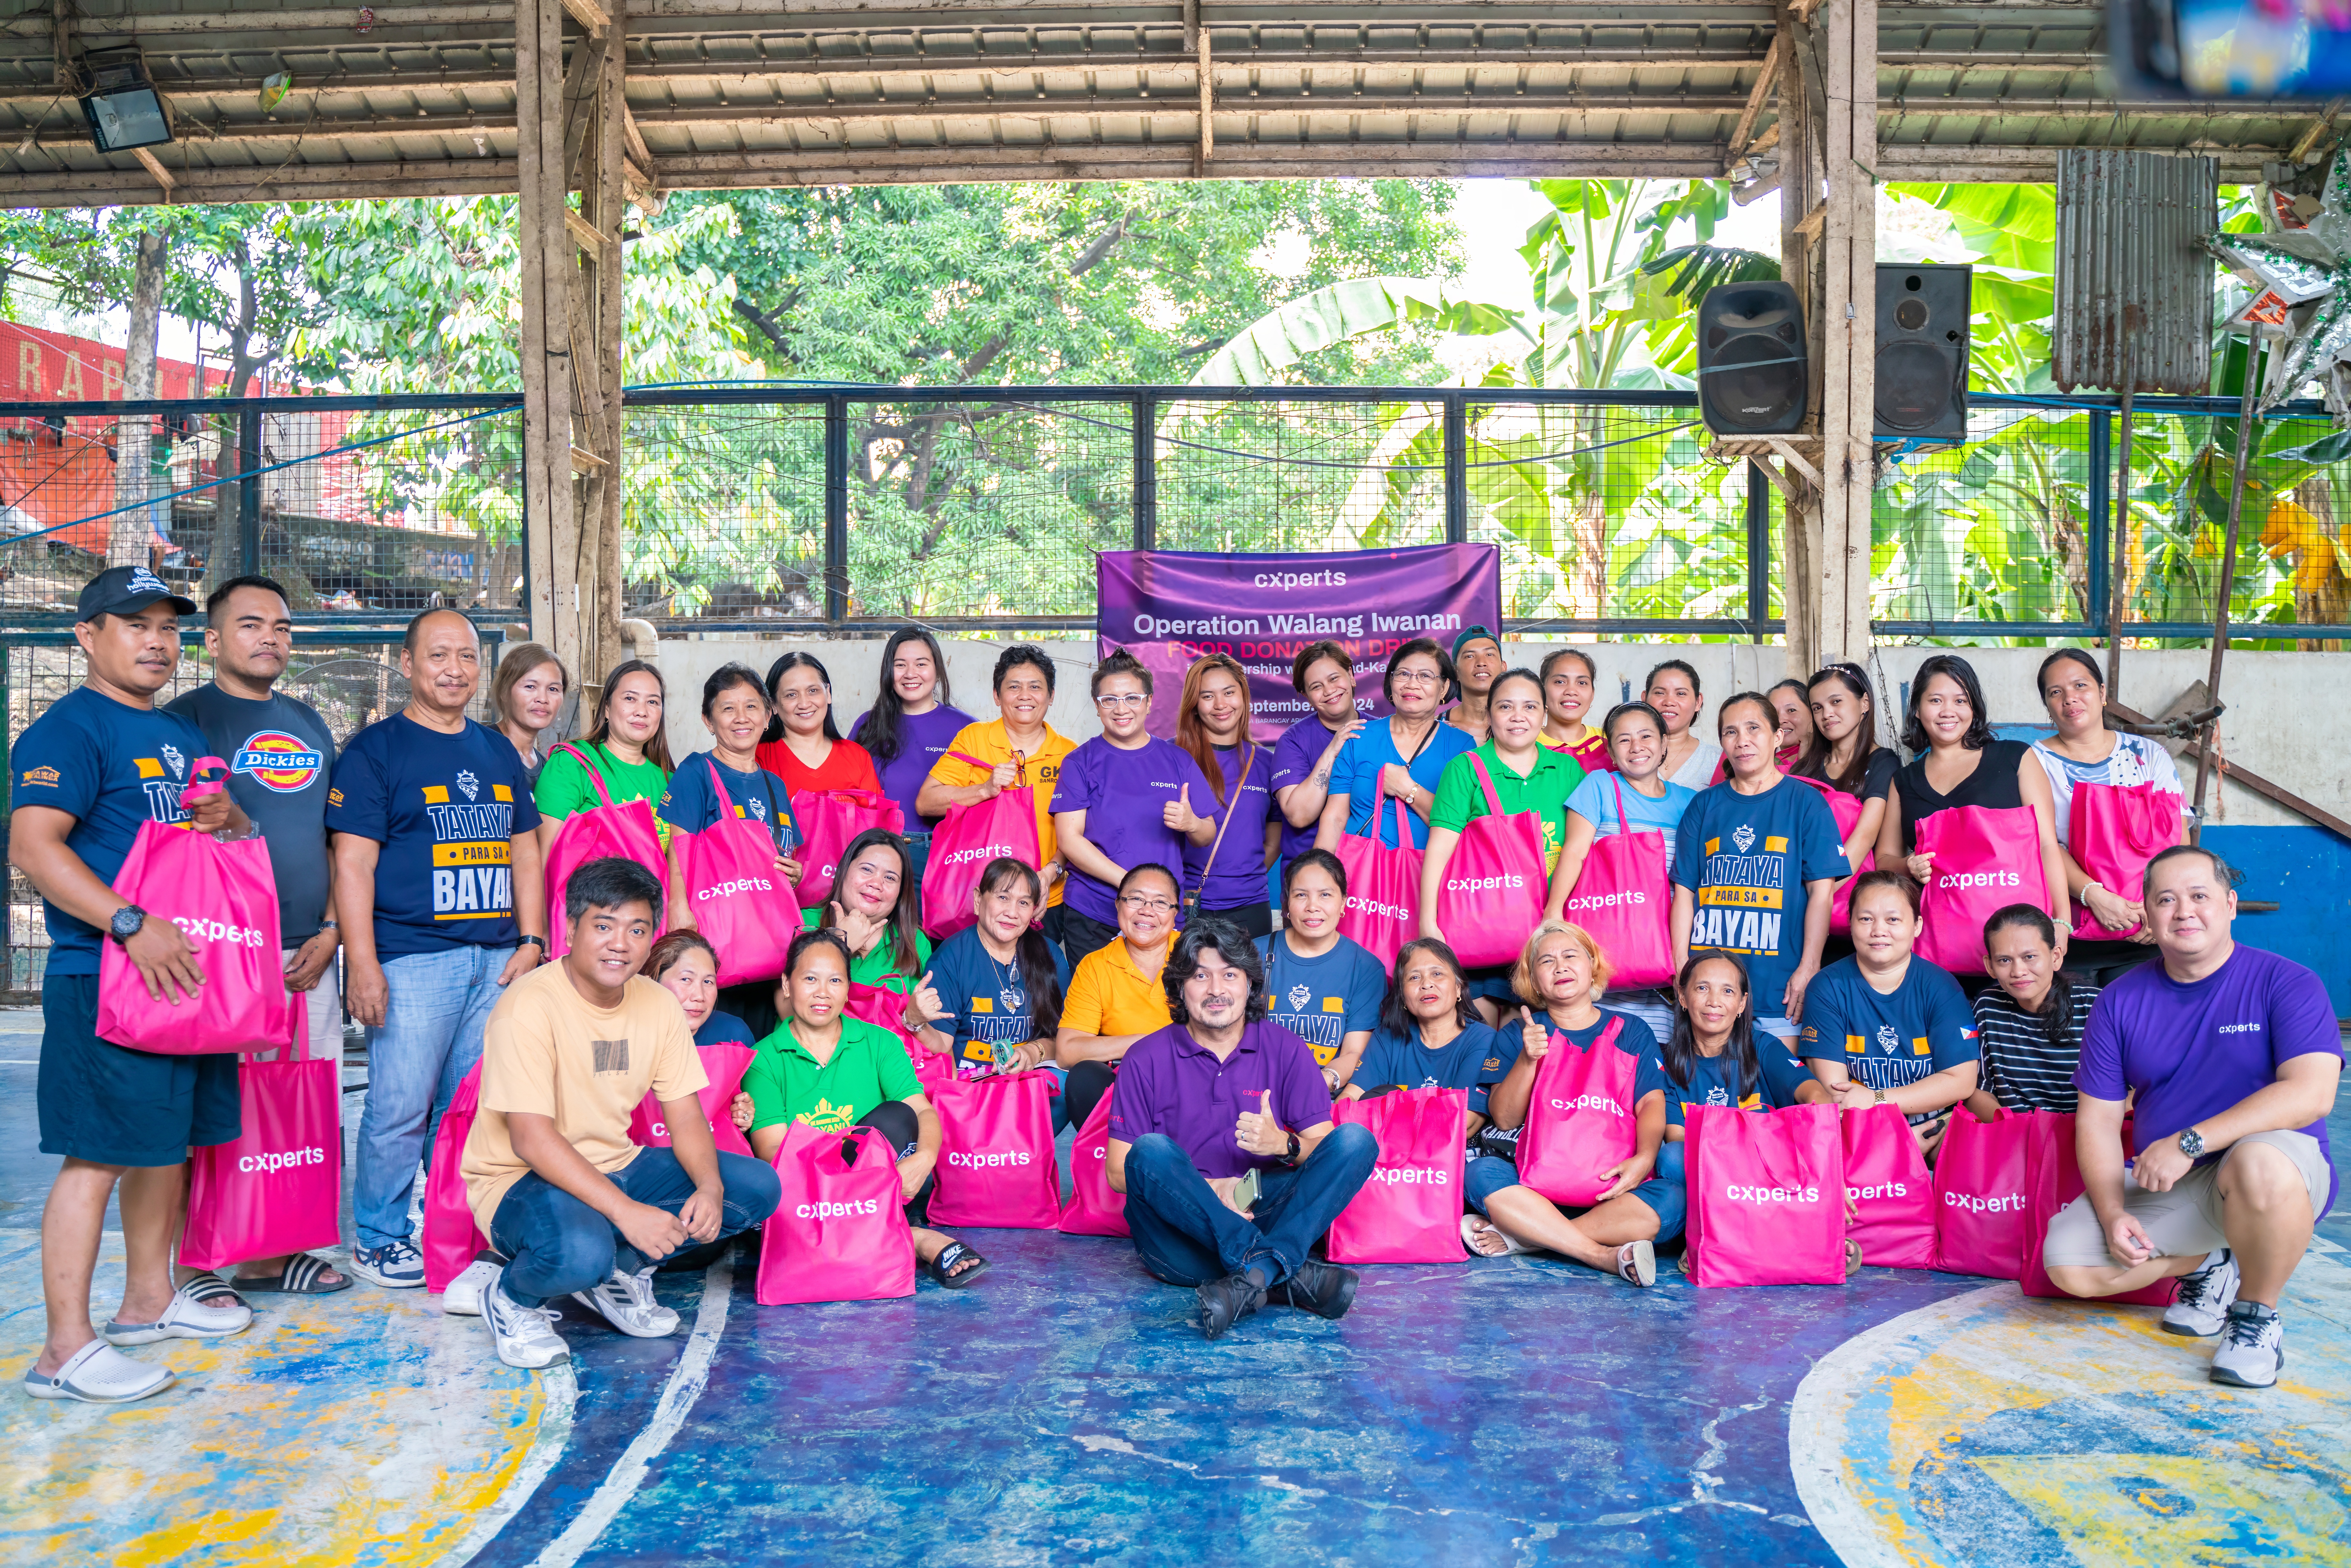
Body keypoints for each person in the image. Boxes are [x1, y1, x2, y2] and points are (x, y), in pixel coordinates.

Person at [15, 567, 258, 1404]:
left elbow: (222, 838)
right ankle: (63, 1350)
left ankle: (149, 1299)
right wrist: (127, 922)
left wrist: (235, 820)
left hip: (184, 980)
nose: (157, 641)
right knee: (98, 1156)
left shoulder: (181, 737)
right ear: (88, 637)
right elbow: (35, 848)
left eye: (168, 628)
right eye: (134, 625)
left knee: (169, 1143)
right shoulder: (68, 730)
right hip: (106, 974)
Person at [461, 858, 782, 1369]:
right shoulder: (529, 1006)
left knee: (757, 1188)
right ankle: (512, 1299)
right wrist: (627, 1213)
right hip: (518, 1180)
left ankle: (619, 1275)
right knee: (580, 1254)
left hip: (615, 1162)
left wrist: (710, 1187)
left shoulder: (656, 1005)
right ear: (570, 929)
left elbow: (686, 1116)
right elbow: (530, 1139)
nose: (620, 944)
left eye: (637, 930)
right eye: (604, 926)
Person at [2040, 845, 2341, 1389]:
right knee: (2069, 1263)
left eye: (2199, 896)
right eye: (2166, 900)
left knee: (2257, 1164)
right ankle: (2210, 1262)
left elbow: (2312, 1094)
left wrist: (2189, 1142)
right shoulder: (2118, 1001)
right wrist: (2112, 1215)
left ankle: (2255, 1317)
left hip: (2277, 1172)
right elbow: (2099, 1122)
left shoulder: (2287, 983)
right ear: (2147, 915)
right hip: (2180, 1183)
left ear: (2229, 905)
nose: (2184, 911)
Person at [330, 608, 548, 1290]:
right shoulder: (376, 751)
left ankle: (452, 1227)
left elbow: (525, 853)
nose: (453, 669)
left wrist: (533, 939)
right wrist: (362, 963)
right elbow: (352, 866)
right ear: (407, 665)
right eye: (438, 656)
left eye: (466, 657)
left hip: (494, 961)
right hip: (413, 959)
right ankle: (380, 1236)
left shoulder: (494, 751)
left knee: (470, 1110)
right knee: (398, 1106)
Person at [163, 574, 348, 1296]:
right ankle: (195, 1263)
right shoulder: (182, 721)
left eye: (280, 626)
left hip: (307, 953)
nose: (270, 635)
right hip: (217, 954)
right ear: (211, 640)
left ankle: (276, 1253)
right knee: (209, 1109)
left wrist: (332, 928)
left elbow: (335, 839)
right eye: (250, 624)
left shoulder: (308, 721)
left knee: (297, 1105)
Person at [1107, 918, 1378, 1340]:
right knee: (1150, 1150)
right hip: (1180, 1240)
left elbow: (1325, 1148)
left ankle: (1251, 1279)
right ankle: (1279, 1267)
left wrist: (1284, 1145)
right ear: (1179, 988)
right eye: (1200, 975)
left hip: (1260, 1207)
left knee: (1356, 1141)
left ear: (1251, 985)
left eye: (1229, 974)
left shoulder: (1286, 1048)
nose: (1216, 989)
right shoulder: (1145, 1057)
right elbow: (1119, 1172)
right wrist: (1204, 1189)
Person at [743, 930, 990, 1288]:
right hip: (807, 1196)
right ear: (786, 984)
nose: (822, 993)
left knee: (895, 1118)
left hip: (874, 1180)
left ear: (848, 987)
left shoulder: (880, 1042)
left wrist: (925, 1157)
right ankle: (914, 1237)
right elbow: (773, 1152)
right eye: (809, 979)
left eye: (835, 981)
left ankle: (839, 1242)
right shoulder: (764, 1058)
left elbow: (922, 1113)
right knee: (761, 1191)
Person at [1463, 922, 1670, 1286]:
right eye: (1546, 961)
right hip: (1535, 1189)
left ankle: (1526, 1240)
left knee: (1673, 1200)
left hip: (1613, 1190)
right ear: (1533, 980)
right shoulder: (1517, 1033)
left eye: (1570, 956)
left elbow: (1651, 1102)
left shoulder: (1633, 1030)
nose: (1559, 967)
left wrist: (1645, 1158)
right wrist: (1529, 1059)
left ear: (1592, 965)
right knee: (1479, 1173)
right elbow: (1505, 1118)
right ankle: (1598, 1254)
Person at [1634, 952, 1846, 1278]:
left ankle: (1740, 1242)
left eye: (1728, 991)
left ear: (1742, 1004)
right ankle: (1752, 1241)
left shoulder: (1761, 1046)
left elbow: (1815, 1096)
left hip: (1766, 1170)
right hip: (1714, 1179)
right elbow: (1678, 1143)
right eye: (1702, 988)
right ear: (1682, 997)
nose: (1714, 1001)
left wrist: (1828, 1171)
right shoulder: (1670, 1065)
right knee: (1673, 1160)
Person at [1671, 691, 1848, 1047]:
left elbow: (1821, 894)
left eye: (1754, 728)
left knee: (1778, 1097)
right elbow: (1684, 894)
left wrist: (1808, 967)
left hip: (1778, 987)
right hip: (1709, 992)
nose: (1743, 741)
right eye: (1730, 732)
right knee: (1710, 1097)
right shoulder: (1703, 805)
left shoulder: (1806, 803)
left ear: (1777, 737)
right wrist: (1681, 971)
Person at [1421, 668, 1585, 1019]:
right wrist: (1427, 922)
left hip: (1549, 930)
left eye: (1529, 707)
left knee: (1536, 1044)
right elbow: (1438, 850)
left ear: (1543, 715)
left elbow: (1581, 849)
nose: (1517, 717)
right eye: (1505, 707)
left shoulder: (1568, 770)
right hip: (1483, 924)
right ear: (1489, 714)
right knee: (1485, 1048)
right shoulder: (1464, 769)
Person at [1876, 653, 2070, 946]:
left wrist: (2061, 921)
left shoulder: (2015, 757)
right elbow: (1884, 859)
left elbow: (2046, 845)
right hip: (1938, 938)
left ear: (1974, 708)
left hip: (2016, 937)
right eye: (1935, 700)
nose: (1948, 711)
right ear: (1917, 709)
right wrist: (1909, 865)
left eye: (1960, 701)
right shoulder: (1903, 781)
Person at [2029, 648, 2187, 986]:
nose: (2069, 698)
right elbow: (2043, 845)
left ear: (2102, 694)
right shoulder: (2035, 761)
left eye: (2080, 686)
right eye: (2055, 692)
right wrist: (2094, 896)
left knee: (2146, 1027)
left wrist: (2159, 904)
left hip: (2147, 927)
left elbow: (2177, 842)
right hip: (2074, 928)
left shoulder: (2149, 756)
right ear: (2047, 705)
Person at [1542, 701, 1697, 1043]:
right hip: (1613, 935)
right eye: (1623, 740)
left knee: (1662, 1049)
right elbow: (1575, 853)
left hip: (1669, 940)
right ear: (1611, 751)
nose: (1636, 747)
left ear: (1663, 744)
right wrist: (1554, 912)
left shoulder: (1690, 801)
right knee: (1607, 1042)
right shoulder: (1599, 786)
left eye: (1646, 736)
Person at [1797, 870, 1982, 1155]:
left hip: (1933, 1126)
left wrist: (1877, 1098)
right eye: (1866, 919)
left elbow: (1961, 1081)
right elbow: (1835, 1091)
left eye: (1893, 920)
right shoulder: (1827, 987)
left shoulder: (1942, 988)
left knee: (1965, 1153)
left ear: (1917, 926)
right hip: (1857, 1129)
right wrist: (1894, 1142)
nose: (1878, 930)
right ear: (1850, 924)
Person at [1051, 650, 1216, 964]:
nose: (1121, 708)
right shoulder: (1079, 763)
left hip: (1162, 916)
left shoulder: (1177, 760)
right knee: (1096, 1007)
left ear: (1149, 702)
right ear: (1097, 706)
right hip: (1095, 911)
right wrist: (1132, 887)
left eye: (1132, 698)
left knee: (1163, 1008)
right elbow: (1069, 840)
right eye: (1109, 700)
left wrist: (1191, 823)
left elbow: (1207, 833)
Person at [918, 644, 1080, 936]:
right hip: (979, 898)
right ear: (997, 695)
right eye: (1013, 687)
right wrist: (984, 789)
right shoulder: (974, 738)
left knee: (1038, 980)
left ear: (1051, 696)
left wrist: (1050, 873)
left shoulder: (1070, 755)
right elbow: (926, 802)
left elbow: (1079, 831)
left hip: (1047, 898)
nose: (1025, 696)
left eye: (1035, 687)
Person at [658, 663, 802, 947]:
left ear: (767, 715)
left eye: (751, 706)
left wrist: (795, 874)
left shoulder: (775, 785)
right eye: (727, 709)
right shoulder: (696, 771)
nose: (741, 718)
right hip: (717, 929)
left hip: (770, 929)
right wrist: (677, 907)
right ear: (708, 721)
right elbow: (679, 849)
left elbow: (785, 854)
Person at [903, 857, 1069, 1084]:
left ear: (1034, 910)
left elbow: (1066, 1041)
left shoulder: (1050, 955)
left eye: (1024, 903)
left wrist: (1034, 1052)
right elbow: (941, 1044)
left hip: (1033, 1084)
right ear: (978, 900)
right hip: (973, 1089)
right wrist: (914, 1021)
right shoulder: (951, 958)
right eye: (1003, 898)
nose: (1012, 912)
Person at [1345, 939, 1516, 1143]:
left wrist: (1383, 1118)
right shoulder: (1388, 1035)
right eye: (1414, 977)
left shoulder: (1483, 1040)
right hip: (1382, 1154)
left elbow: (1465, 1123)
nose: (1426, 984)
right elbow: (1349, 1101)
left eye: (1437, 974)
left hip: (1444, 1162)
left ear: (1459, 988)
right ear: (1402, 998)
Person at [1315, 637, 1475, 854]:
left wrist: (1408, 790)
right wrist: (1320, 878)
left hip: (1429, 876)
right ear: (1391, 683)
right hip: (1360, 875)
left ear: (1444, 687)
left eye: (1425, 676)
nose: (1411, 684)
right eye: (1403, 674)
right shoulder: (1359, 737)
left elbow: (1462, 826)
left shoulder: (1461, 745)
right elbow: (1335, 817)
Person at [1056, 863, 1182, 1132]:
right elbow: (1067, 1052)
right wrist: (1149, 1043)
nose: (1146, 911)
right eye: (1136, 899)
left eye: (1160, 903)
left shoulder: (1199, 957)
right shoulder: (1096, 965)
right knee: (1085, 1077)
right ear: (1118, 905)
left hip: (1191, 1076)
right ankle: (1116, 1167)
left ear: (1175, 914)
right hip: (1127, 1080)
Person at [849, 627, 972, 889]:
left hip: (944, 855)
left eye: (921, 664)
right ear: (888, 672)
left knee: (933, 931)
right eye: (900, 665)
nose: (910, 674)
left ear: (937, 670)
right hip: (877, 856)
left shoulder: (966, 729)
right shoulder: (867, 726)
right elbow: (847, 795)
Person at [1256, 850, 1386, 1095]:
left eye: (1325, 895)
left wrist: (1319, 1083)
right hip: (1255, 1088)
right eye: (1301, 895)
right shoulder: (1252, 954)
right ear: (1286, 903)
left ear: (1343, 902)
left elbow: (1353, 1053)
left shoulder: (1366, 969)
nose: (1313, 907)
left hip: (1322, 1094)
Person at [1175, 653, 1279, 937]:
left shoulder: (1266, 763)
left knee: (1248, 983)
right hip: (1186, 903)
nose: (1221, 705)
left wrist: (1240, 880)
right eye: (1207, 696)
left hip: (1251, 906)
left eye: (1229, 693)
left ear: (1243, 696)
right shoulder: (1173, 757)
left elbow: (1274, 839)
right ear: (1194, 705)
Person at [1966, 904, 2096, 1116]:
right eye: (2005, 960)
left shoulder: (2096, 1005)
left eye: (2029, 957)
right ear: (1990, 966)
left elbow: (2135, 1091)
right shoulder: (1986, 1007)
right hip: (2015, 1136)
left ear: (2055, 957)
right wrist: (2024, 1134)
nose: (2018, 972)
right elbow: (1977, 1092)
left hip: (2088, 1135)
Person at [535, 658, 675, 855]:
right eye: (630, 699)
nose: (642, 712)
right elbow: (546, 857)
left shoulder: (671, 781)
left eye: (653, 702)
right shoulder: (572, 764)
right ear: (607, 708)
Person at [1793, 662, 1896, 918]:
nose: (1826, 714)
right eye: (1817, 708)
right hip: (1799, 893)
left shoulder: (1883, 762)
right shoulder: (1804, 769)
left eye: (1836, 702)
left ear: (1864, 703)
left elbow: (1864, 838)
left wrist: (1817, 897)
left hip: (1851, 904)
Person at [1269, 640, 1367, 878]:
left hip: (1370, 869)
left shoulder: (1382, 731)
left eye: (1335, 679)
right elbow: (1298, 816)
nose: (1329, 691)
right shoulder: (1293, 741)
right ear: (1305, 696)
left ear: (1351, 676)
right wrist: (1333, 749)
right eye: (1316, 686)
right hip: (1308, 878)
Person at [756, 651, 882, 801]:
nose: (804, 704)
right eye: (792, 695)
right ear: (774, 705)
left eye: (813, 691)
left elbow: (876, 821)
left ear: (828, 693)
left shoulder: (859, 758)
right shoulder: (759, 758)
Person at [645, 929, 757, 1051]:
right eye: (686, 979)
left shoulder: (735, 1034)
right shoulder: (628, 1036)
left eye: (707, 982)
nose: (700, 996)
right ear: (652, 984)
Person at [492, 642, 568, 784]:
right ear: (504, 692)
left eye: (553, 690)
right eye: (530, 687)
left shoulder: (546, 768)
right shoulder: (482, 747)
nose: (543, 699)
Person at [1643, 659, 1720, 789]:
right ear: (1645, 699)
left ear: (1698, 702)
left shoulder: (1716, 761)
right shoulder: (1628, 752)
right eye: (1660, 693)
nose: (1669, 702)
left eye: (1681, 694)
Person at [1538, 647, 1611, 771]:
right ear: (1541, 690)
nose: (1571, 691)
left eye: (1582, 683)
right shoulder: (1526, 743)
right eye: (1560, 682)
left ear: (1592, 694)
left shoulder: (1611, 742)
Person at [1443, 624, 1505, 743]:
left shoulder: (1520, 726)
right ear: (1456, 672)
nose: (1481, 663)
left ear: (1504, 668)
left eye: (1490, 655)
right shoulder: (1437, 728)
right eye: (1470, 656)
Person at [1767, 677, 1815, 770]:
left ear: (1813, 714)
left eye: (1792, 710)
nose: (1781, 720)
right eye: (1774, 713)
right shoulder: (1759, 765)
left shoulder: (1832, 761)